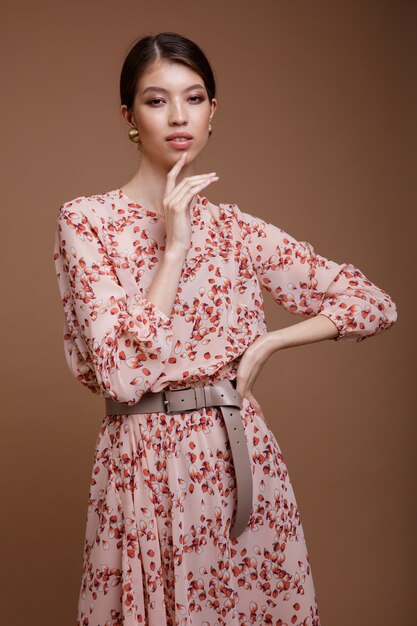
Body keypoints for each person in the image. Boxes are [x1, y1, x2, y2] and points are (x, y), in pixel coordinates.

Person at [53, 31, 398, 626]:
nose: (179, 116)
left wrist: (270, 341)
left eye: (195, 98)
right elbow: (123, 375)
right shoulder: (88, 222)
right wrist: (175, 246)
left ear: (214, 111)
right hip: (140, 465)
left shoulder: (237, 230)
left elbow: (373, 303)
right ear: (129, 117)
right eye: (157, 100)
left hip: (235, 461)